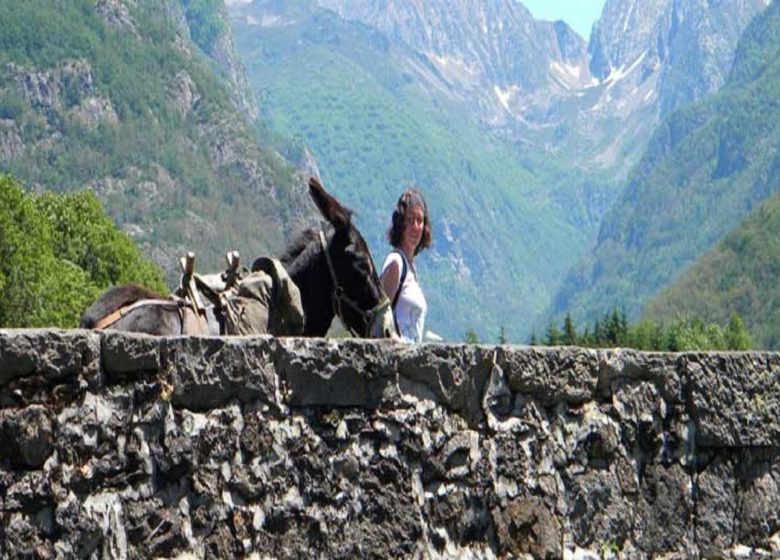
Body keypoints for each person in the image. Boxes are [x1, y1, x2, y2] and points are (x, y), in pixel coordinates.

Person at [380, 187, 432, 343]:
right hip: (397, 360)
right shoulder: (396, 263)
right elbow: (380, 322)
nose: (415, 227)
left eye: (420, 220)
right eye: (410, 219)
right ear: (400, 222)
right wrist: (400, 344)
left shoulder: (411, 269)